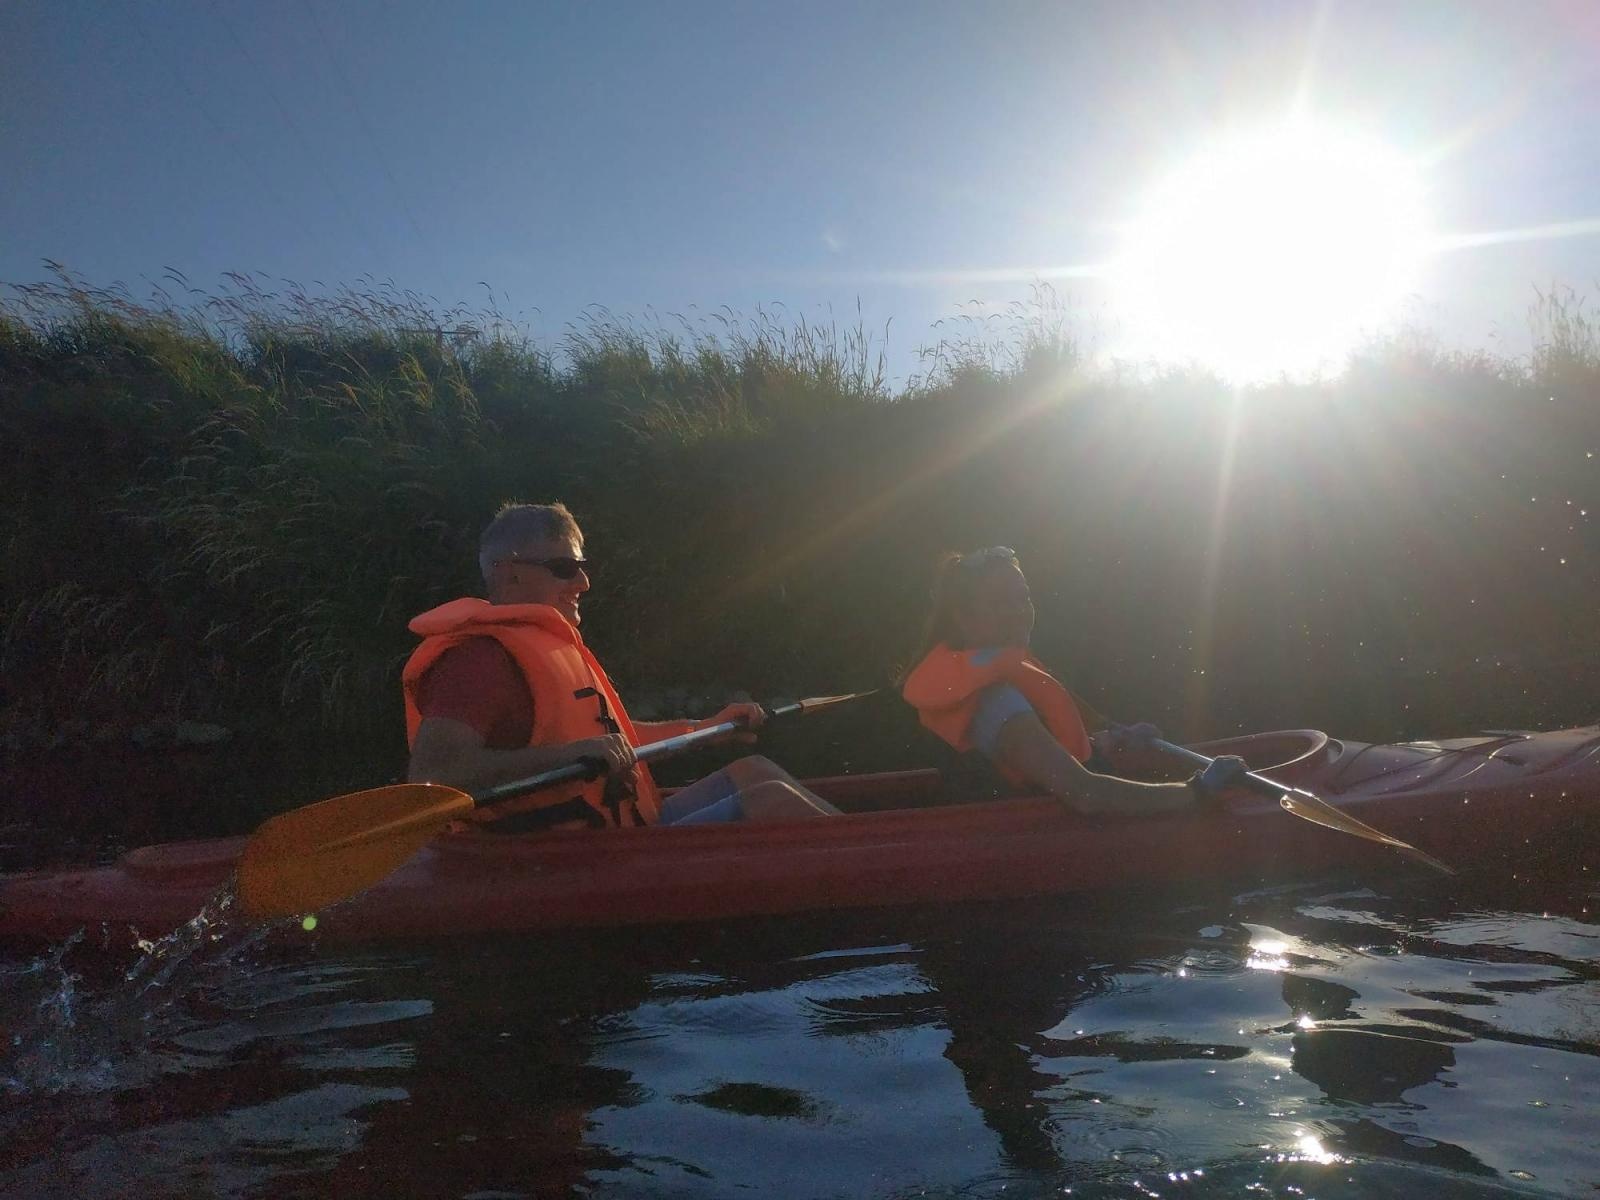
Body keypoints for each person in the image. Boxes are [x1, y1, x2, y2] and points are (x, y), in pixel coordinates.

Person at [403, 501, 837, 830]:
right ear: (509, 575)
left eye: (582, 567)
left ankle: (879, 852)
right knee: (770, 802)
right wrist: (571, 755)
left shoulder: (550, 645)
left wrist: (706, 728)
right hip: (556, 860)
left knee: (753, 771)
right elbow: (434, 777)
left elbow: (616, 742)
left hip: (623, 830)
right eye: (564, 568)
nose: (583, 582)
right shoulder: (478, 659)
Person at [901, 546, 1246, 814]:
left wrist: (1104, 743)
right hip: (1033, 838)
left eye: (1023, 598)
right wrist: (1197, 791)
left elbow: (1043, 759)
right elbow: (1086, 795)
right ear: (963, 618)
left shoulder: (995, 686)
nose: (1019, 611)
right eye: (1001, 602)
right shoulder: (997, 703)